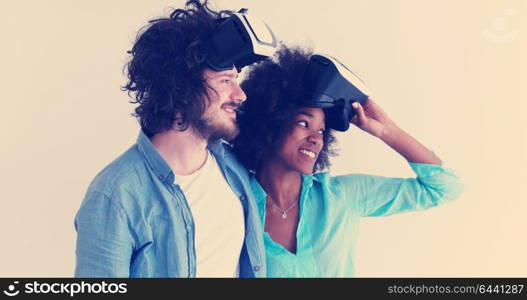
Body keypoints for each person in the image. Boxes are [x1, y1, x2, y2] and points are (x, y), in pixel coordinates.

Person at [74, 0, 277, 277]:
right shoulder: (116, 193)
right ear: (182, 89)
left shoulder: (232, 166)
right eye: (224, 81)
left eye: (236, 79)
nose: (239, 95)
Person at [232, 46, 465, 277]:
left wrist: (387, 131)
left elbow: (445, 187)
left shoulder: (343, 196)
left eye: (322, 131)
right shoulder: (236, 204)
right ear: (269, 124)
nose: (315, 139)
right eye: (304, 124)